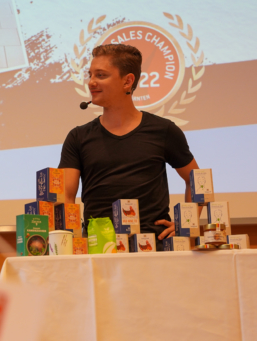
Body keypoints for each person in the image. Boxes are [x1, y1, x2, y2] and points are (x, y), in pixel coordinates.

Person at [58, 44, 200, 251]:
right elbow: (66, 197)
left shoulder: (164, 130)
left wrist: (186, 224)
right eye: (90, 75)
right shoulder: (78, 137)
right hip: (98, 247)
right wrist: (72, 239)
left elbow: (196, 180)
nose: (91, 82)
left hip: (154, 247)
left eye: (101, 75)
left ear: (128, 81)